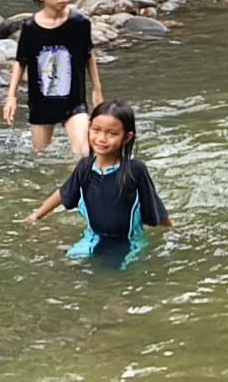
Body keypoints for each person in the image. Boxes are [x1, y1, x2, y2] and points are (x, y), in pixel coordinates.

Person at [23, 100, 172, 263]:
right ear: (89, 128)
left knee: (120, 279)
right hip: (93, 236)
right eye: (96, 130)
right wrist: (36, 216)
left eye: (112, 134)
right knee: (69, 266)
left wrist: (172, 228)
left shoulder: (135, 170)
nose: (102, 139)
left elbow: (154, 204)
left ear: (127, 137)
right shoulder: (85, 167)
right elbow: (63, 193)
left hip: (129, 240)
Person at [2, 0, 102, 157]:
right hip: (41, 103)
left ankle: (76, 186)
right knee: (41, 157)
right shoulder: (30, 27)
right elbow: (20, 62)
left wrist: (97, 91)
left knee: (83, 152)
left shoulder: (80, 23)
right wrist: (11, 97)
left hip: (74, 100)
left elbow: (89, 55)